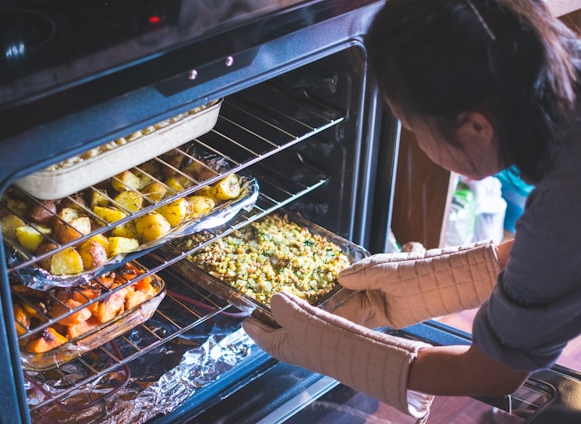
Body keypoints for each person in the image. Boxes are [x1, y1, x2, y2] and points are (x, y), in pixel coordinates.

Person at [243, 0, 581, 420]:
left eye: (415, 129)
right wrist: (440, 279)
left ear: (476, 126)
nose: (420, 144)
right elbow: (559, 262)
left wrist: (342, 352)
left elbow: (491, 375)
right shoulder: (563, 68)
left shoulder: (565, 202)